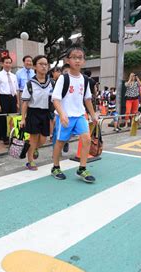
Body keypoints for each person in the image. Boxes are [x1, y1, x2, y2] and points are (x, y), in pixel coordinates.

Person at [51, 45, 98, 183]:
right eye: (74, 58)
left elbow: (87, 98)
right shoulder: (63, 78)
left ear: (83, 61)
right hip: (64, 116)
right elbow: (55, 99)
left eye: (80, 58)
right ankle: (55, 167)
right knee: (60, 142)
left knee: (87, 139)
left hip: (80, 116)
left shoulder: (84, 79)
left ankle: (82, 168)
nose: (77, 60)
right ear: (67, 60)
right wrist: (62, 114)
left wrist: (93, 114)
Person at [19, 55, 53, 171]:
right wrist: (23, 119)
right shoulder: (30, 83)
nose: (44, 66)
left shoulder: (51, 83)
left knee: (43, 139)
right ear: (34, 66)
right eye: (41, 64)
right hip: (33, 113)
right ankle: (30, 161)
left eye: (46, 64)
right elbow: (25, 103)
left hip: (46, 113)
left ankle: (33, 148)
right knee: (33, 138)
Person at [0, 56, 20, 145]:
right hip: (3, 98)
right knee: (4, 119)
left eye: (9, 63)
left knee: (14, 117)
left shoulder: (14, 76)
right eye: (6, 62)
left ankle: (14, 135)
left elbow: (16, 90)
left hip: (12, 98)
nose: (8, 64)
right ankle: (5, 137)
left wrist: (17, 102)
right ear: (2, 64)